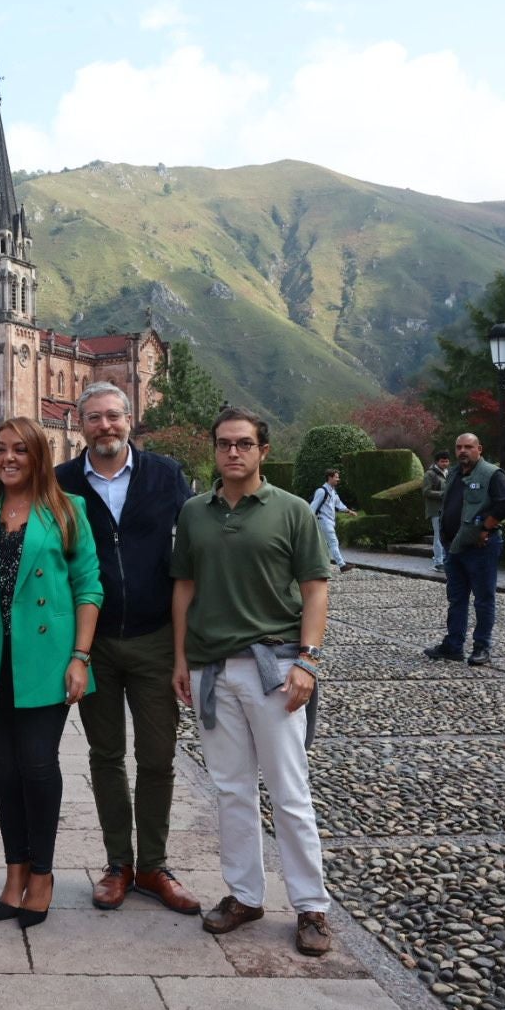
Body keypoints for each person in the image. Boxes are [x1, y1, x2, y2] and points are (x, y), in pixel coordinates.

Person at [171, 406, 335, 957]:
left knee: (290, 792)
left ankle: (311, 906)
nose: (233, 453)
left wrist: (307, 660)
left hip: (275, 668)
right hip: (212, 669)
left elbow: (315, 589)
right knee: (231, 789)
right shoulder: (196, 512)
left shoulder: (291, 511)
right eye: (224, 444)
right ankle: (245, 895)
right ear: (213, 450)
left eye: (243, 444)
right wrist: (180, 659)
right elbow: (184, 590)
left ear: (263, 450)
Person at [0, 417, 101, 928]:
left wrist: (80, 657)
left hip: (48, 660)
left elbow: (88, 589)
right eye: (0, 450)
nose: (8, 458)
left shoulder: (67, 510)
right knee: (5, 768)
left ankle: (43, 873)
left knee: (37, 765)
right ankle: (13, 872)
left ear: (38, 456)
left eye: (20, 450)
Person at [56, 382, 202, 915]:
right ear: (80, 425)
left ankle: (154, 865)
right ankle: (118, 862)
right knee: (106, 755)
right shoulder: (63, 482)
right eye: (94, 418)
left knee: (158, 756)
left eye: (114, 416)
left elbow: (194, 544)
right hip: (92, 644)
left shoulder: (164, 474)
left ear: (130, 419)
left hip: (155, 639)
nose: (105, 427)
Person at [423, 433, 505, 667]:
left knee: (483, 598)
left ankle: (481, 647)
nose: (463, 451)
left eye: (468, 447)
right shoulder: (454, 473)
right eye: (459, 447)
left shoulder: (491, 474)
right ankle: (453, 645)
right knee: (456, 598)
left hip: (480, 547)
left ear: (479, 449)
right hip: (454, 546)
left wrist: (486, 527)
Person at [308, 469, 357, 573]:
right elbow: (312, 507)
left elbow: (338, 504)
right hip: (323, 521)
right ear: (330, 478)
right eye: (336, 477)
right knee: (333, 542)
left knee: (322, 545)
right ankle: (342, 565)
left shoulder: (333, 491)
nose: (338, 479)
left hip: (329, 521)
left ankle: (315, 565)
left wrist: (348, 511)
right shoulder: (322, 491)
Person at [423, 450, 451, 572]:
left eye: (447, 461)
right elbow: (426, 491)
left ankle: (445, 560)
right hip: (436, 510)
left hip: (447, 509)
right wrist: (443, 494)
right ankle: (438, 562)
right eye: (442, 461)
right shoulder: (430, 474)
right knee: (439, 536)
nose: (445, 463)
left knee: (446, 535)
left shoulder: (448, 473)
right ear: (437, 462)